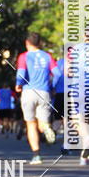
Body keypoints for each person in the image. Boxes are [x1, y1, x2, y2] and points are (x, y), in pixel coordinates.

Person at [16, 32, 57, 165]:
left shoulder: (24, 56)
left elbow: (21, 73)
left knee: (31, 123)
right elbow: (57, 73)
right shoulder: (48, 56)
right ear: (39, 43)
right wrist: (52, 86)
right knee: (42, 123)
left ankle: (36, 155)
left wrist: (18, 85)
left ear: (27, 43)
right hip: (44, 92)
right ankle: (46, 128)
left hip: (29, 91)